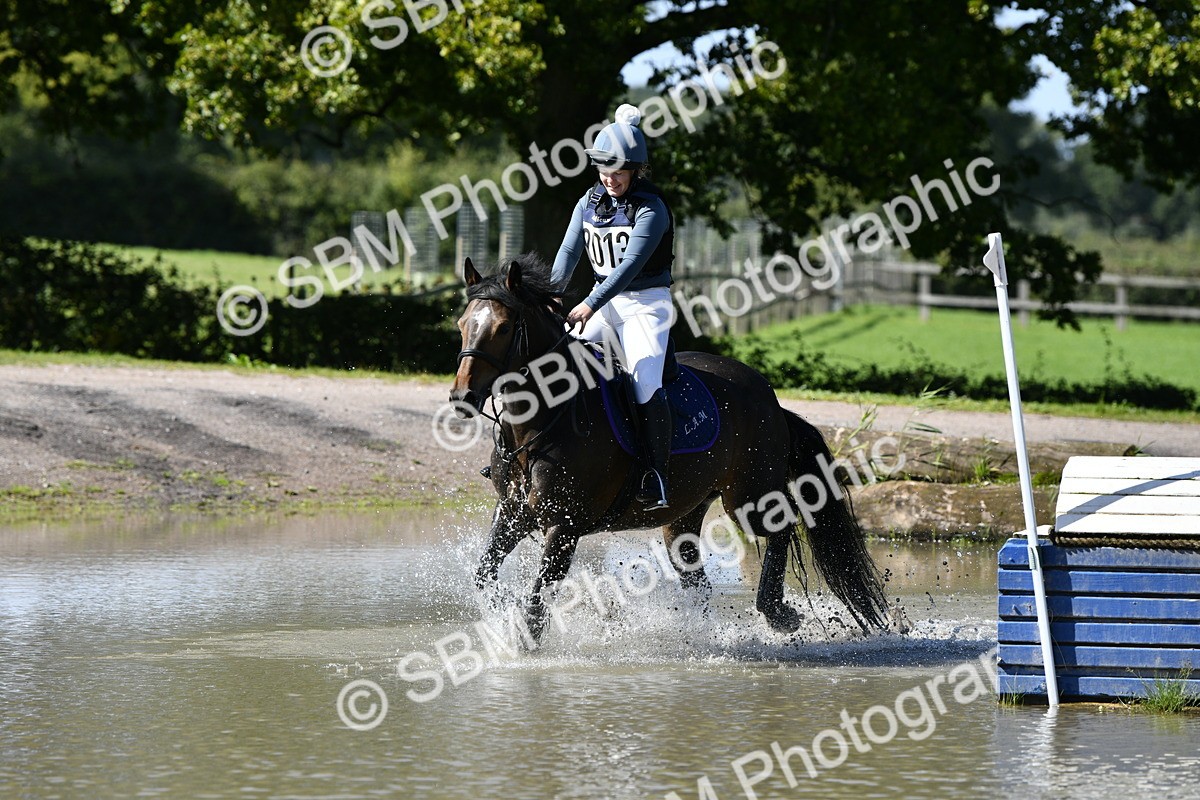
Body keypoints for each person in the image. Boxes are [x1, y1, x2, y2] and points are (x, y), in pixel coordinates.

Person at [551, 103, 675, 511]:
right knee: (557, 360)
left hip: (645, 305)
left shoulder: (652, 209)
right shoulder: (588, 202)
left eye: (618, 171)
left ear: (635, 170)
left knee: (642, 381)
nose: (610, 178)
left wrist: (587, 303)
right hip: (603, 302)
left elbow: (627, 268)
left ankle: (655, 475)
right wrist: (553, 292)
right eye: (604, 170)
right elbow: (570, 250)